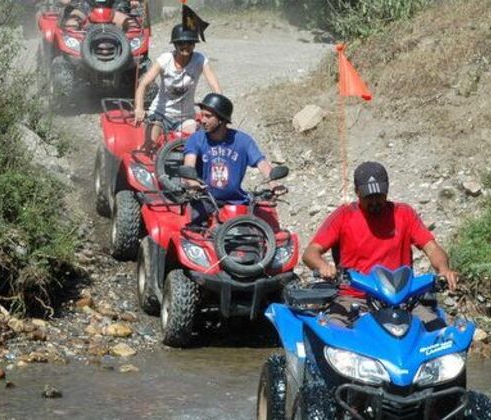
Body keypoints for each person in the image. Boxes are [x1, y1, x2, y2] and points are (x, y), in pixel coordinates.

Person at [302, 161, 459, 326]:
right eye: (368, 197)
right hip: (355, 297)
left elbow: (432, 248)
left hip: (402, 299)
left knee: (440, 333)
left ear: (387, 190)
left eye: (379, 195)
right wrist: (323, 267)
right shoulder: (344, 216)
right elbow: (310, 253)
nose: (375, 202)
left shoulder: (404, 214)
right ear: (357, 192)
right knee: (333, 332)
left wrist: (444, 269)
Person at [181, 93, 283, 224]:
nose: (202, 120)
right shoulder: (195, 139)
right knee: (191, 234)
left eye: (208, 116)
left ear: (221, 119)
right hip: (205, 201)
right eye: (202, 115)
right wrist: (192, 182)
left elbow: (261, 163)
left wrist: (274, 184)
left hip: (237, 202)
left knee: (262, 232)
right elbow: (189, 165)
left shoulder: (243, 140)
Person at [134, 24, 221, 143]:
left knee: (198, 142)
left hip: (185, 118)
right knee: (150, 142)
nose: (186, 47)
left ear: (194, 45)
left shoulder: (200, 60)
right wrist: (139, 108)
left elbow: (214, 85)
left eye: (190, 43)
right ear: (175, 45)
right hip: (160, 115)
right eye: (181, 43)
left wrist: (219, 108)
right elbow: (144, 84)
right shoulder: (165, 60)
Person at [58, 0, 139, 29]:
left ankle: (132, 56)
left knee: (132, 25)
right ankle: (70, 54)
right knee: (71, 25)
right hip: (83, 9)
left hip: (113, 10)